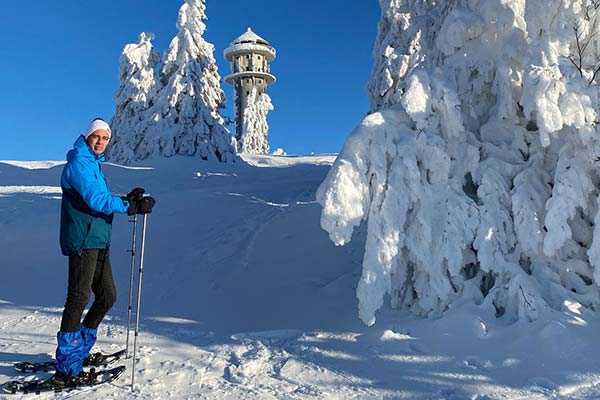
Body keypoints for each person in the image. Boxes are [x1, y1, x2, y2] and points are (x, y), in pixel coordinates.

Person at [52, 118, 156, 387]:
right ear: (87, 137)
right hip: (82, 240)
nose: (100, 142)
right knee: (78, 299)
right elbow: (96, 200)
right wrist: (130, 208)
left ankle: (79, 350)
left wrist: (126, 200)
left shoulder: (93, 165)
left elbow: (99, 198)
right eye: (96, 137)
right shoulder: (78, 163)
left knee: (107, 296)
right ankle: (67, 367)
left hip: (98, 240)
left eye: (105, 138)